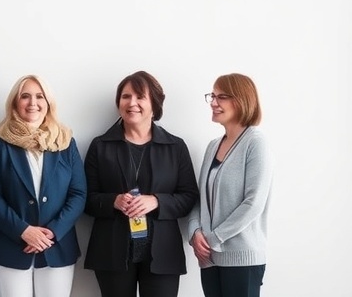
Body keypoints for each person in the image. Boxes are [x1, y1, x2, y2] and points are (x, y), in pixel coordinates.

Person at [84, 71, 199, 297]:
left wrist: (156, 201)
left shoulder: (175, 147)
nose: (132, 103)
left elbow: (188, 196)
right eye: (126, 96)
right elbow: (85, 198)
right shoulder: (100, 145)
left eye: (140, 97)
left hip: (163, 254)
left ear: (154, 104)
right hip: (112, 251)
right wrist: (113, 201)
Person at [0, 74, 86, 297]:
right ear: (15, 102)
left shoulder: (65, 142)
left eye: (40, 96)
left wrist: (51, 233)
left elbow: (78, 194)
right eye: (25, 96)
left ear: (48, 103)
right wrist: (24, 231)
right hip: (11, 247)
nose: (33, 103)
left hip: (56, 248)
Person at [187, 73, 272, 297]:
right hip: (209, 260)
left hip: (242, 259)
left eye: (221, 97)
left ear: (242, 100)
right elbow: (200, 199)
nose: (213, 103)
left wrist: (213, 239)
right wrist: (195, 232)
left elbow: (253, 203)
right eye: (212, 96)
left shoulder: (255, 142)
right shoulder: (213, 146)